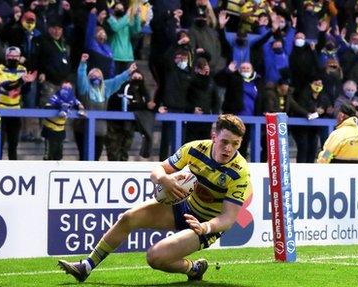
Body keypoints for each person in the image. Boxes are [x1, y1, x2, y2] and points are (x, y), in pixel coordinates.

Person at [58, 114, 252, 283]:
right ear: (214, 137)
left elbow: (227, 219)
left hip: (206, 224)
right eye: (225, 142)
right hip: (184, 206)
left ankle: (193, 268)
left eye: (235, 144)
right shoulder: (194, 149)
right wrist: (164, 179)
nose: (229, 149)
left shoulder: (239, 172)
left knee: (155, 257)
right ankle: (86, 266)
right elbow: (158, 169)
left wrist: (205, 228)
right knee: (128, 217)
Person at [0, 47, 37, 160]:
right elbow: (7, 86)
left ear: (19, 58)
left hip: (15, 110)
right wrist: (22, 80)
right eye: (10, 56)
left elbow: (24, 90)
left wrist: (28, 83)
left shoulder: (22, 69)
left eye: (15, 56)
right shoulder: (0, 69)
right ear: (6, 57)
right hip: (1, 109)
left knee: (13, 144)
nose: (13, 58)